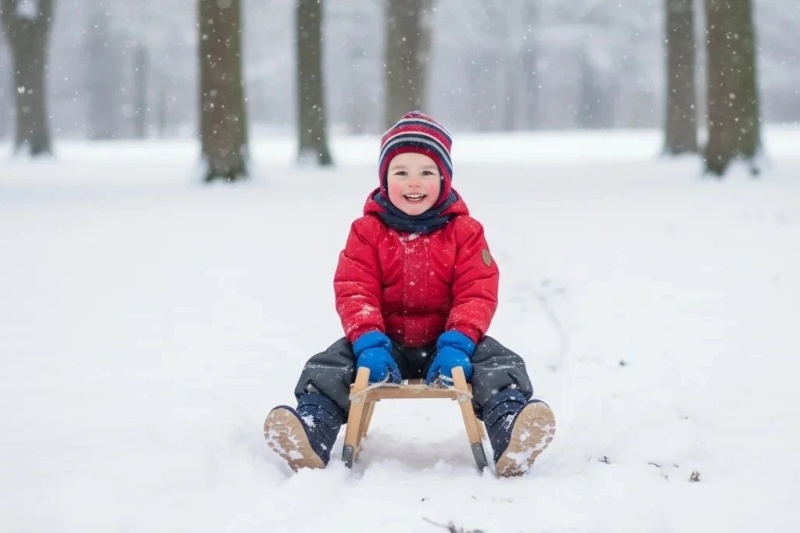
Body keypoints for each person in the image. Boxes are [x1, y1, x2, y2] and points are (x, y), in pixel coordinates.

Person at [263, 111, 555, 477]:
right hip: (382, 344)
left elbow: (476, 291)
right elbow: (354, 288)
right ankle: (311, 431)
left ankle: (511, 429)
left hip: (448, 344)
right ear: (385, 180)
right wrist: (368, 340)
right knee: (328, 366)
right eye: (401, 172)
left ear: (445, 180)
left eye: (426, 172)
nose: (413, 182)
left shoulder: (464, 231)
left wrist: (459, 341)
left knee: (500, 364)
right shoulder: (367, 231)